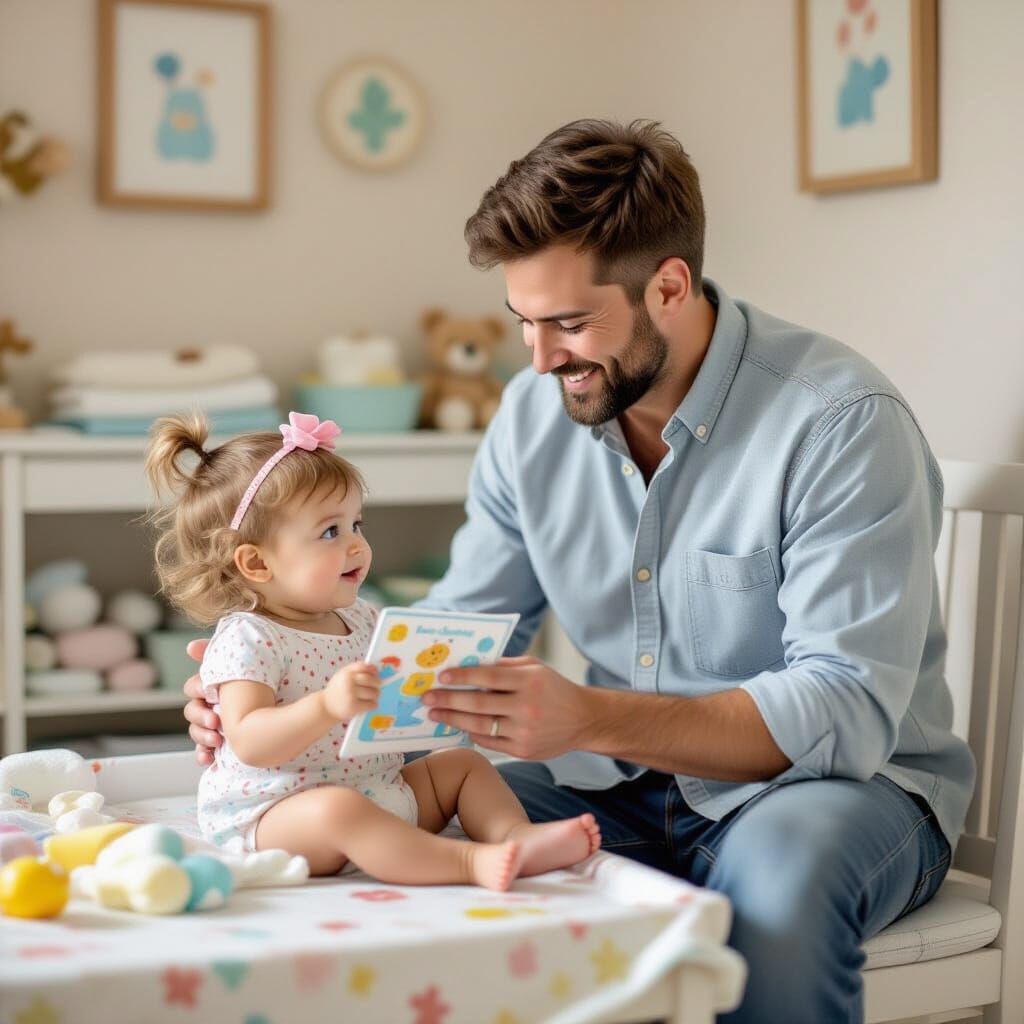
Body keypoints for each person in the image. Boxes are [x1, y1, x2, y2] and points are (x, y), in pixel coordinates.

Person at [184, 120, 975, 1022]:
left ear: (669, 286)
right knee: (378, 827)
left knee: (774, 905)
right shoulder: (532, 417)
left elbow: (843, 708)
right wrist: (270, 681)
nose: (540, 358)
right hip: (609, 783)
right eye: (523, 322)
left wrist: (590, 715)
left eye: (569, 322)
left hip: (833, 790)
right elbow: (451, 637)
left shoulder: (839, 422)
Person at [147, 409, 600, 889]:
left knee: (463, 765)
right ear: (256, 562)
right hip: (279, 814)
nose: (357, 546)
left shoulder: (362, 616)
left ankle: (513, 837)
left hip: (379, 788)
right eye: (330, 532)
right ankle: (468, 863)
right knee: (339, 810)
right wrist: (326, 706)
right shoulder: (249, 637)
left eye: (356, 525)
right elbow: (252, 742)